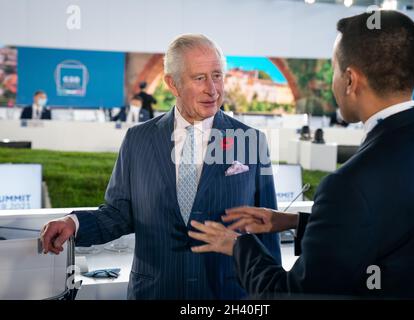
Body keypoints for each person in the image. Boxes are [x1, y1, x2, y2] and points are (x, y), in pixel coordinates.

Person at [188, 10, 414, 299]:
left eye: (334, 69)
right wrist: (296, 222)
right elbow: (400, 228)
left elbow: (292, 294)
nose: (332, 82)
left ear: (350, 80)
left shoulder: (349, 185)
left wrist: (238, 246)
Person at [40, 34, 281, 300]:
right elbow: (119, 214)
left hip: (228, 295)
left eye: (217, 75)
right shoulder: (138, 139)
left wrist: (274, 294)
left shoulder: (251, 141)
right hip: (155, 292)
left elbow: (266, 227)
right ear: (172, 83)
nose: (212, 90)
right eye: (199, 78)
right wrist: (73, 223)